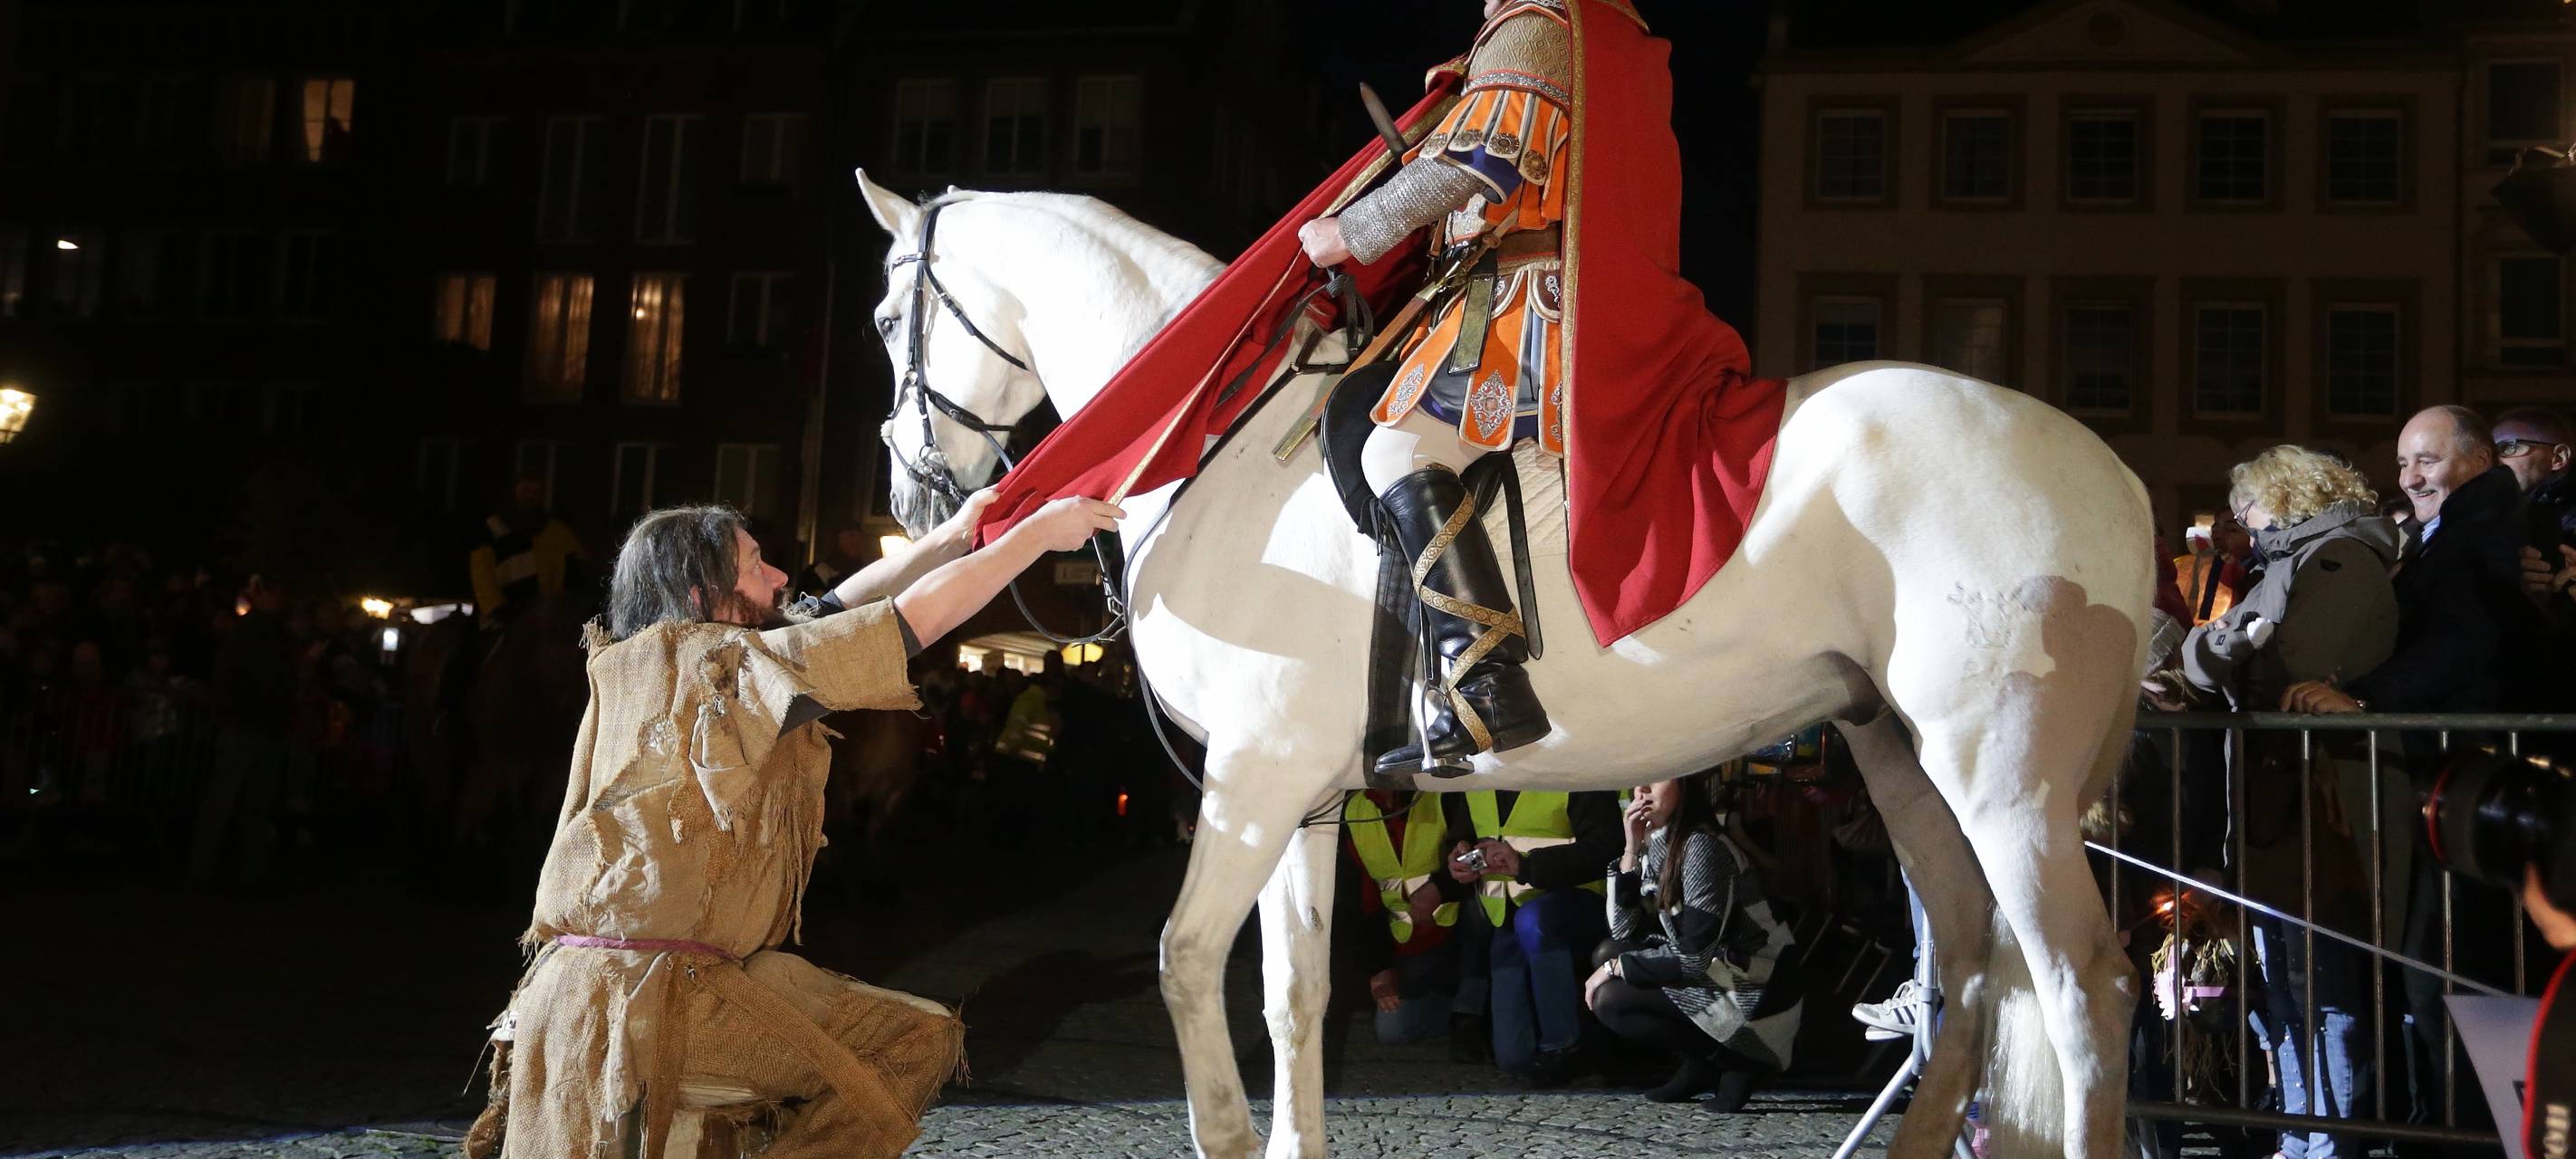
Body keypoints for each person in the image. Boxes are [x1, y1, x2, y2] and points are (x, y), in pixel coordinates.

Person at [464, 488, 1120, 1159]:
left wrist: (950, 537)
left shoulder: (656, 661)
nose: (780, 578)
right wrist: (1036, 537)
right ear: (701, 596)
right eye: (756, 566)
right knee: (910, 1043)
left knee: (897, 1036)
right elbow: (902, 624)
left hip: (635, 986)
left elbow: (832, 611)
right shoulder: (720, 668)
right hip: (649, 1001)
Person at [1298, 0, 1574, 774]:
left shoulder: (1536, 25)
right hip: (1487, 291)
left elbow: (1478, 164)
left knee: (1398, 449)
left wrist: (1348, 232)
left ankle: (1489, 682)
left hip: (1525, 297)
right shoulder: (1529, 29)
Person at [1586, 774, 1801, 1111]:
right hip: (1718, 969)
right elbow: (1622, 931)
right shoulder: (1659, 840)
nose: (1641, 791)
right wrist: (1631, 847)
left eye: (1655, 779)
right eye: (1635, 782)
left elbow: (1693, 958)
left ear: (1685, 783)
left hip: (1756, 986)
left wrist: (1615, 969)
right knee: (1607, 951)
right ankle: (1701, 1062)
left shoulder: (1702, 845)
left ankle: (1740, 1058)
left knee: (1610, 996)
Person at [1444, 787, 1620, 1084]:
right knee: (1512, 1058)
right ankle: (1584, 1042)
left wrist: (1525, 865)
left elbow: (1606, 847)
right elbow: (1464, 836)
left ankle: (1564, 1048)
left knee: (1533, 921)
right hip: (1508, 913)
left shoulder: (1574, 768)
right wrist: (1460, 859)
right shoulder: (1480, 771)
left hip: (1575, 904)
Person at [1337, 789, 1481, 1055]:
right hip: (1406, 941)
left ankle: (1471, 1013)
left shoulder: (1444, 793)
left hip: (1461, 930)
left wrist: (1441, 888)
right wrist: (1378, 968)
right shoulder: (1354, 810)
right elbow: (1359, 900)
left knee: (1480, 916)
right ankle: (1476, 1015)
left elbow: (1479, 854)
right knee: (1392, 1030)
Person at [469, 472, 588, 629]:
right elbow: (482, 576)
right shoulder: (492, 530)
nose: (530, 497)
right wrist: (498, 610)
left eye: (536, 492)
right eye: (525, 490)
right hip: (501, 621)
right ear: (514, 492)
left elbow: (577, 571)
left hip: (549, 621)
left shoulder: (558, 532)